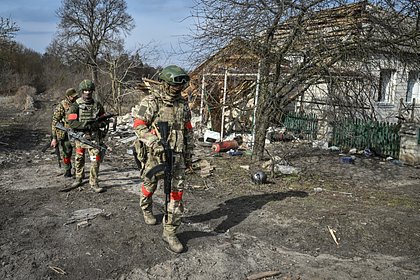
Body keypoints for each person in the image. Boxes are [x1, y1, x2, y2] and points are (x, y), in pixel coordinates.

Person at [132, 65, 194, 253]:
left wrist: (189, 155)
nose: (178, 90)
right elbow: (138, 125)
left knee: (176, 194)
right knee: (150, 185)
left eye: (180, 87)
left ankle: (169, 232)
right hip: (154, 155)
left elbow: (188, 130)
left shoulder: (182, 105)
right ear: (165, 84)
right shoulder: (152, 102)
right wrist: (153, 141)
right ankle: (146, 206)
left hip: (178, 156)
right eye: (174, 87)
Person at [67, 79, 107, 193]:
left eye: (89, 90)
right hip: (80, 137)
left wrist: (99, 124)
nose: (87, 93)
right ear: (81, 91)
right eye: (85, 90)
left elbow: (104, 120)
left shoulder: (97, 105)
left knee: (95, 160)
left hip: (93, 139)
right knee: (79, 159)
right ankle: (78, 178)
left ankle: (94, 182)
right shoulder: (75, 105)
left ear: (92, 91)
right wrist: (85, 125)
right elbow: (72, 123)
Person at [50, 88, 79, 177]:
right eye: (72, 96)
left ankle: (78, 171)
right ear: (68, 96)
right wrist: (54, 137)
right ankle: (67, 169)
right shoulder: (62, 105)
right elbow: (55, 121)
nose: (74, 98)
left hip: (77, 132)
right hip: (66, 134)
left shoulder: (78, 104)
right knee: (66, 153)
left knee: (79, 153)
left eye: (75, 96)